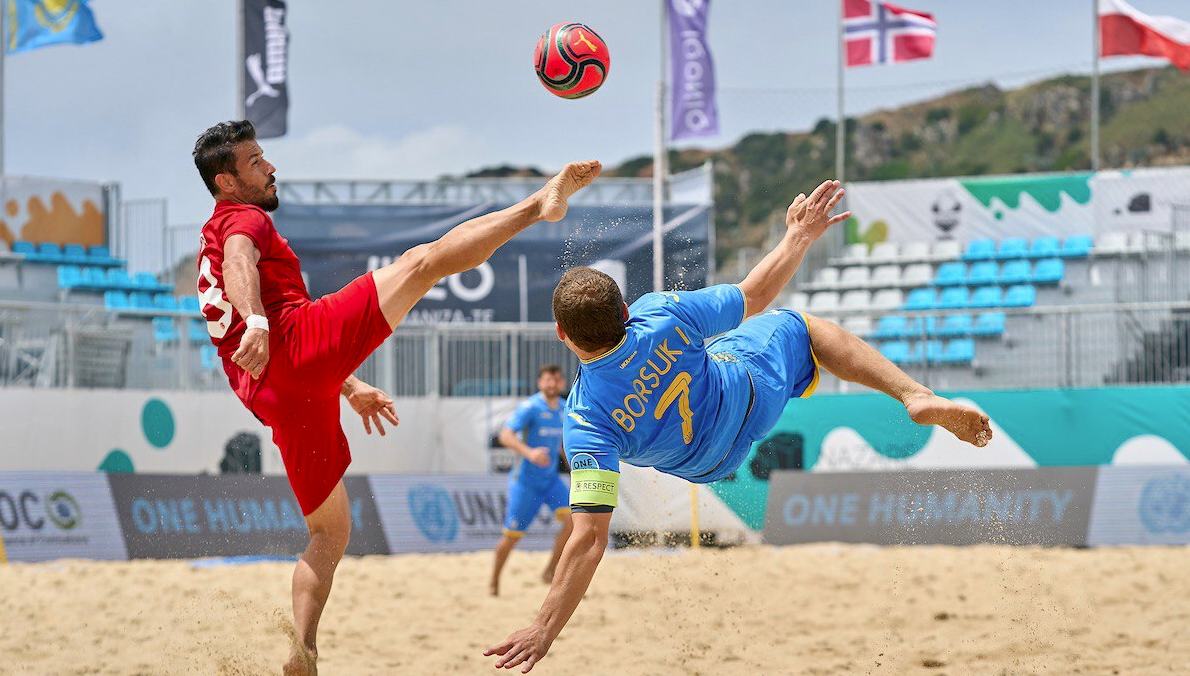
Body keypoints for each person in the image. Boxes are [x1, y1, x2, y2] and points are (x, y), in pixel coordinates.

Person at [485, 180, 993, 672]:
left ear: (562, 334)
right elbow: (756, 294)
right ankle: (914, 395)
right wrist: (798, 235)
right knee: (802, 327)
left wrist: (543, 629)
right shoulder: (660, 314)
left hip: (710, 464)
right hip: (748, 395)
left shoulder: (584, 421)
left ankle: (906, 396)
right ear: (622, 310)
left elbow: (590, 540)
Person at [192, 119, 600, 676]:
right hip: (292, 345)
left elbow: (241, 278)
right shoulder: (244, 219)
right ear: (226, 182)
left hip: (276, 395)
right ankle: (537, 205)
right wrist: (258, 321)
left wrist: (348, 383)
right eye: (256, 161)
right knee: (423, 262)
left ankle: (303, 650)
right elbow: (240, 262)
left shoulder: (211, 233)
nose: (270, 168)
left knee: (329, 533)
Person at [489, 364, 573, 596]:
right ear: (540, 383)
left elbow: (561, 444)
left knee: (573, 521)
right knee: (511, 537)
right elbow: (505, 436)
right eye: (547, 379)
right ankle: (494, 582)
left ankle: (550, 571)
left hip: (550, 481)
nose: (552, 384)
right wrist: (530, 453)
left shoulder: (564, 408)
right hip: (525, 482)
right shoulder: (530, 407)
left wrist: (574, 467)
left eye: (556, 380)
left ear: (562, 383)